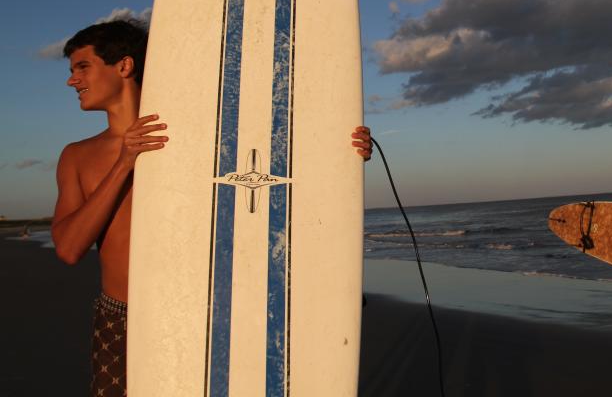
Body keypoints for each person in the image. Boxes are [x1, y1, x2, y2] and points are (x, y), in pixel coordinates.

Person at [52, 19, 372, 396]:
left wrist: (344, 152)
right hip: (120, 317)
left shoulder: (199, 137)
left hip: (199, 311)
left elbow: (272, 174)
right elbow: (69, 249)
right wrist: (125, 161)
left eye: (82, 67)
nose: (73, 81)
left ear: (124, 66)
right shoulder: (76, 156)